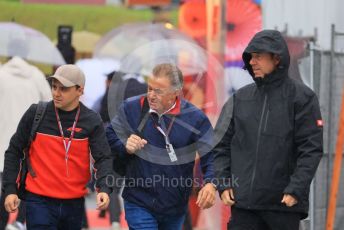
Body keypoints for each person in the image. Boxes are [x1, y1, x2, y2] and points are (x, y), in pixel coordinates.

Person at [213, 30, 323, 230]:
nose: (252, 62)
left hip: (283, 205)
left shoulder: (302, 98)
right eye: (251, 57)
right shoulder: (239, 99)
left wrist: (296, 189)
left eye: (258, 56)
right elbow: (220, 145)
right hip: (243, 206)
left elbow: (311, 149)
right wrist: (224, 183)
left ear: (277, 58)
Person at [106, 63, 216, 230]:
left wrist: (210, 183)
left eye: (158, 90)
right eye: (150, 88)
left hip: (175, 205)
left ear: (176, 92)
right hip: (138, 201)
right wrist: (125, 145)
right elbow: (110, 134)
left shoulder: (195, 118)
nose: (151, 95)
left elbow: (212, 154)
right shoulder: (132, 107)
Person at [2, 64, 113, 230]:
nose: (56, 93)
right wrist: (10, 189)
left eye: (64, 89)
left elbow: (103, 157)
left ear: (80, 90)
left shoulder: (92, 120)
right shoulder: (36, 113)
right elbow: (14, 151)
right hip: (38, 201)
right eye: (54, 87)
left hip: (75, 203)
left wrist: (103, 188)